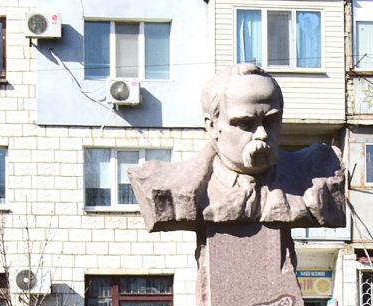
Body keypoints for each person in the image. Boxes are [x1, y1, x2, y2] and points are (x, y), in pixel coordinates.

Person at [128, 64, 344, 231]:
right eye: (245, 123)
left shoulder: (319, 175)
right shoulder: (166, 184)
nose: (262, 134)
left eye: (270, 121)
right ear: (212, 126)